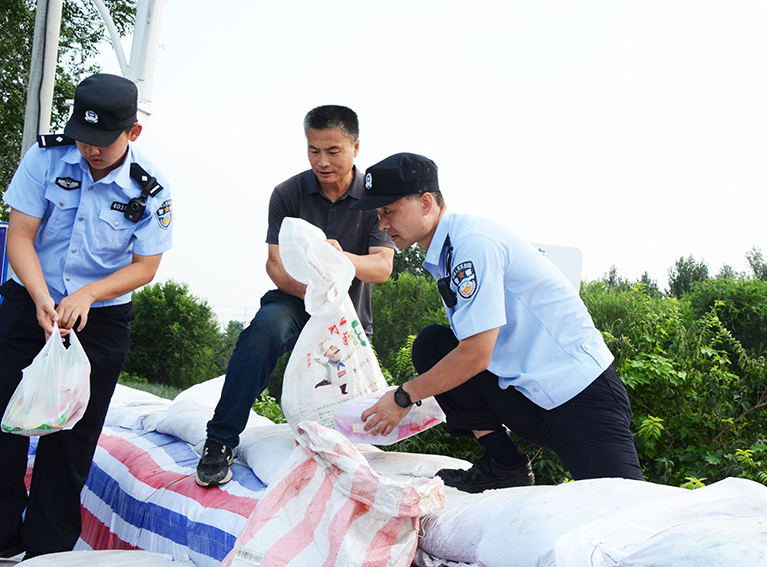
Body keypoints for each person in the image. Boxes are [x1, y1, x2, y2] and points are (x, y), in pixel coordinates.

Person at [355, 152, 643, 493]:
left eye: (388, 211)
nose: (383, 224)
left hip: (580, 397)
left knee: (625, 507)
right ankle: (504, 465)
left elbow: (477, 355)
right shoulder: (445, 253)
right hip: (528, 398)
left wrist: (403, 397)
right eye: (378, 214)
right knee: (432, 345)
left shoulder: (473, 244)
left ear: (426, 203)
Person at [0, 74, 173, 558]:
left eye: (102, 141)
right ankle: (1, 539)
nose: (89, 150)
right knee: (2, 419)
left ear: (133, 133)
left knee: (70, 442)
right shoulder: (46, 157)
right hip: (28, 303)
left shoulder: (150, 192)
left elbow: (146, 267)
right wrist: (39, 296)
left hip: (99, 324)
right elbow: (20, 236)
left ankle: (46, 552)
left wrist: (90, 296)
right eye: (82, 136)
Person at [196, 105, 394, 487]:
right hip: (295, 300)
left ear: (355, 146)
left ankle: (343, 467)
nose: (322, 161)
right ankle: (220, 440)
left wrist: (338, 262)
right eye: (313, 150)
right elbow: (274, 264)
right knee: (263, 331)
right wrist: (313, 294)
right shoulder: (288, 193)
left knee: (344, 396)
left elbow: (382, 266)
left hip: (347, 313)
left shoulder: (375, 197)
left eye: (333, 151)